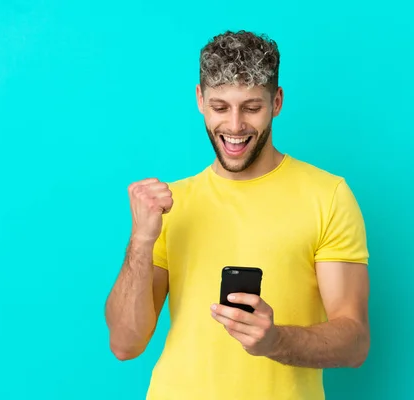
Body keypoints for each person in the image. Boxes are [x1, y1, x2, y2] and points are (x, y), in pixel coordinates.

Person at [105, 30, 371, 400]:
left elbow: (355, 341)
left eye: (251, 107)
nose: (233, 126)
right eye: (219, 107)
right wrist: (141, 239)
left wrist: (276, 340)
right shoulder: (171, 204)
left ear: (276, 101)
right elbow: (125, 344)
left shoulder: (328, 197)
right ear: (199, 99)